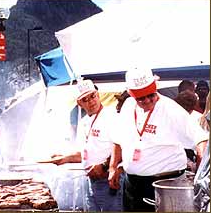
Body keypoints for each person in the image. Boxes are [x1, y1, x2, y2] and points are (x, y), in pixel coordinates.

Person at [108, 68, 208, 212]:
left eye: (151, 95)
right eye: (141, 98)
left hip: (164, 185)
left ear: (156, 88)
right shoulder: (128, 106)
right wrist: (113, 167)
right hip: (131, 184)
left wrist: (199, 175)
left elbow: (201, 139)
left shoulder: (171, 109)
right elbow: (117, 138)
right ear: (131, 94)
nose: (147, 100)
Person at [48, 79, 123, 212]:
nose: (91, 102)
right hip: (90, 181)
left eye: (93, 96)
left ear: (98, 95)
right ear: (79, 103)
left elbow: (122, 147)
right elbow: (84, 154)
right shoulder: (83, 122)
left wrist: (104, 166)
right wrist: (64, 158)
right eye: (85, 99)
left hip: (109, 180)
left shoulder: (112, 116)